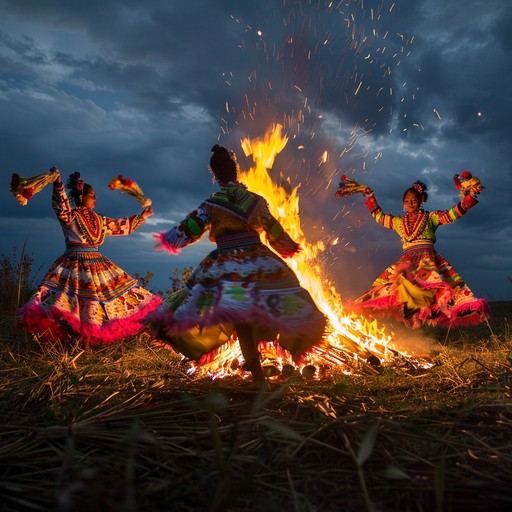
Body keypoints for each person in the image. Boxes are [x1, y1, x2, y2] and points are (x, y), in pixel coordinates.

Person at [146, 145, 326, 382]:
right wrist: (287, 246)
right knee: (261, 308)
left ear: (215, 175)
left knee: (238, 313)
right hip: (259, 262)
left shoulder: (212, 203)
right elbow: (273, 228)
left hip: (227, 265)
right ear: (236, 172)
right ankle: (255, 363)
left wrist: (171, 239)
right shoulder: (255, 200)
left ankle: (254, 364)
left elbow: (192, 227)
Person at [16, 167, 162, 345]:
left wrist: (142, 216)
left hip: (97, 266)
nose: (94, 198)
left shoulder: (99, 220)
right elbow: (60, 206)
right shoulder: (71, 216)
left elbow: (119, 226)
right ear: (81, 196)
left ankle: (85, 345)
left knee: (94, 306)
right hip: (73, 266)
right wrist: (58, 184)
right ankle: (72, 342)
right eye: (91, 195)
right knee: (72, 304)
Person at [347, 177, 490, 328]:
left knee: (435, 288)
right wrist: (370, 197)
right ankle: (406, 307)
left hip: (428, 261)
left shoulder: (431, 218)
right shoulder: (398, 222)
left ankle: (426, 308)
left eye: (414, 200)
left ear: (421, 201)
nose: (411, 204)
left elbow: (452, 214)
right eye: (407, 201)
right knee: (394, 287)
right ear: (403, 204)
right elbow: (379, 217)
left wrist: (470, 196)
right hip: (408, 262)